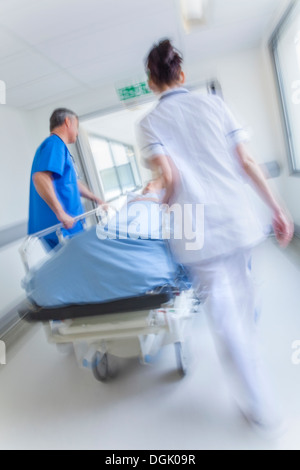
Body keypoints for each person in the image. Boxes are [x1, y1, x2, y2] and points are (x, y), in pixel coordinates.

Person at [136, 39, 294, 433]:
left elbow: (169, 179)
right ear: (182, 75)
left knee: (224, 318)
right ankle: (252, 350)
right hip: (235, 216)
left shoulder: (149, 124)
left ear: (152, 83)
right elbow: (247, 160)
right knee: (242, 299)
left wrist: (158, 200)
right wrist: (278, 207)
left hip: (192, 225)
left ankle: (261, 408)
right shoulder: (214, 103)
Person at [28, 108, 105, 249]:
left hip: (65, 224)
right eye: (77, 126)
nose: (77, 132)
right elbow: (40, 178)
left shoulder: (59, 148)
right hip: (62, 226)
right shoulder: (54, 144)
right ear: (67, 122)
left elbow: (73, 183)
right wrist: (61, 213)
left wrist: (97, 199)